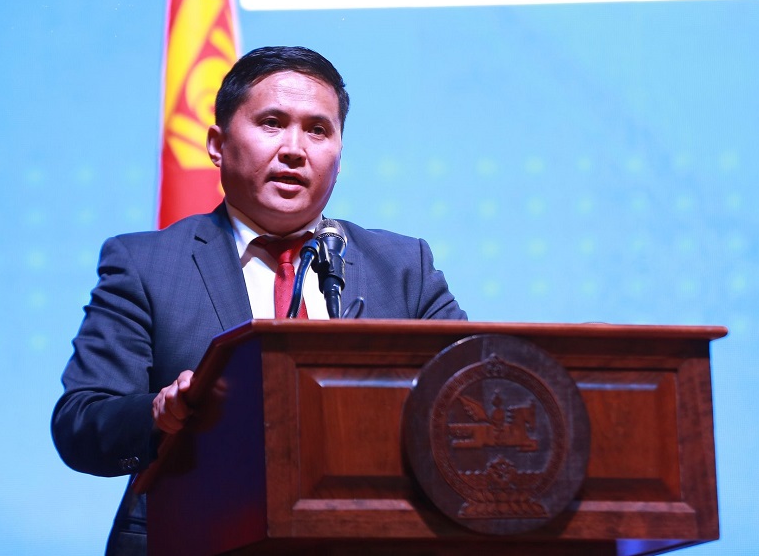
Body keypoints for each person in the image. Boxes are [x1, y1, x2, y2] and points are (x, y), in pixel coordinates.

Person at [51, 46, 467, 555]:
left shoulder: (403, 267)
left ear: (339, 154)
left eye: (318, 130)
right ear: (217, 145)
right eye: (272, 123)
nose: (295, 149)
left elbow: (470, 396)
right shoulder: (147, 265)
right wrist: (158, 415)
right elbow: (80, 422)